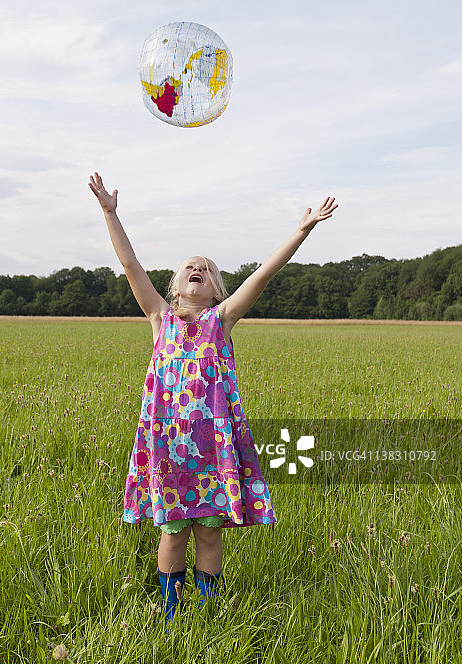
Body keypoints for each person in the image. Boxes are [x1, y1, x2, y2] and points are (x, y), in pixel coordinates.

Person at [89, 172, 337, 631]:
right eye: (189, 267)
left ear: (218, 290)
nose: (197, 268)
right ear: (176, 285)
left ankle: (203, 612)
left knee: (208, 532)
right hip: (168, 448)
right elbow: (130, 265)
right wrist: (110, 212)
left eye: (206, 268)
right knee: (172, 530)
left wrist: (302, 231)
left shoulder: (220, 321)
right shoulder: (159, 318)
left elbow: (263, 273)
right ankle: (169, 612)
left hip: (212, 450)